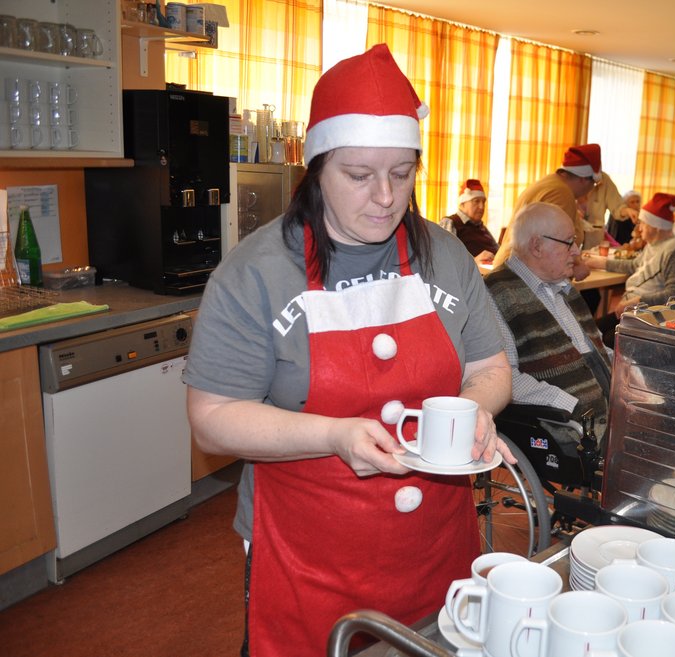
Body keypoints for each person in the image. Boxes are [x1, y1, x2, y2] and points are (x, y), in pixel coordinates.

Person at [182, 44, 512, 657]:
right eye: (359, 176)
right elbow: (214, 420)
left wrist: (475, 408)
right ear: (316, 169)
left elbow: (491, 368)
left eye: (403, 173)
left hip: (438, 544)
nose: (386, 197)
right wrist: (334, 435)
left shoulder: (444, 253)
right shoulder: (256, 272)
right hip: (311, 558)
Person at [485, 201, 611, 439]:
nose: (576, 251)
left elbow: (598, 349)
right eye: (569, 242)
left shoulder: (564, 287)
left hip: (608, 416)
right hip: (567, 429)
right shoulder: (497, 293)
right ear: (537, 246)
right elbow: (503, 377)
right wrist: (568, 404)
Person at [491, 143, 602, 272]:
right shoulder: (562, 193)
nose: (591, 189)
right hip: (523, 272)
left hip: (515, 267)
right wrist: (576, 265)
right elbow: (555, 243)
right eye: (593, 183)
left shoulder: (551, 183)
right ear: (583, 180)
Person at [584, 192, 675, 320]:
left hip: (649, 315)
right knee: (596, 330)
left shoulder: (674, 249)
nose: (639, 228)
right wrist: (600, 263)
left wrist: (637, 301)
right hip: (635, 309)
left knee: (598, 333)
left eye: (643, 223)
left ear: (656, 227)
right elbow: (634, 265)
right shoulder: (653, 245)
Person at [439, 178, 500, 264]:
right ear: (463, 204)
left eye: (483, 202)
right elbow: (445, 260)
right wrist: (473, 262)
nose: (482, 207)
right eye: (476, 201)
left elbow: (498, 250)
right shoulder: (450, 222)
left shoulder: (481, 227)